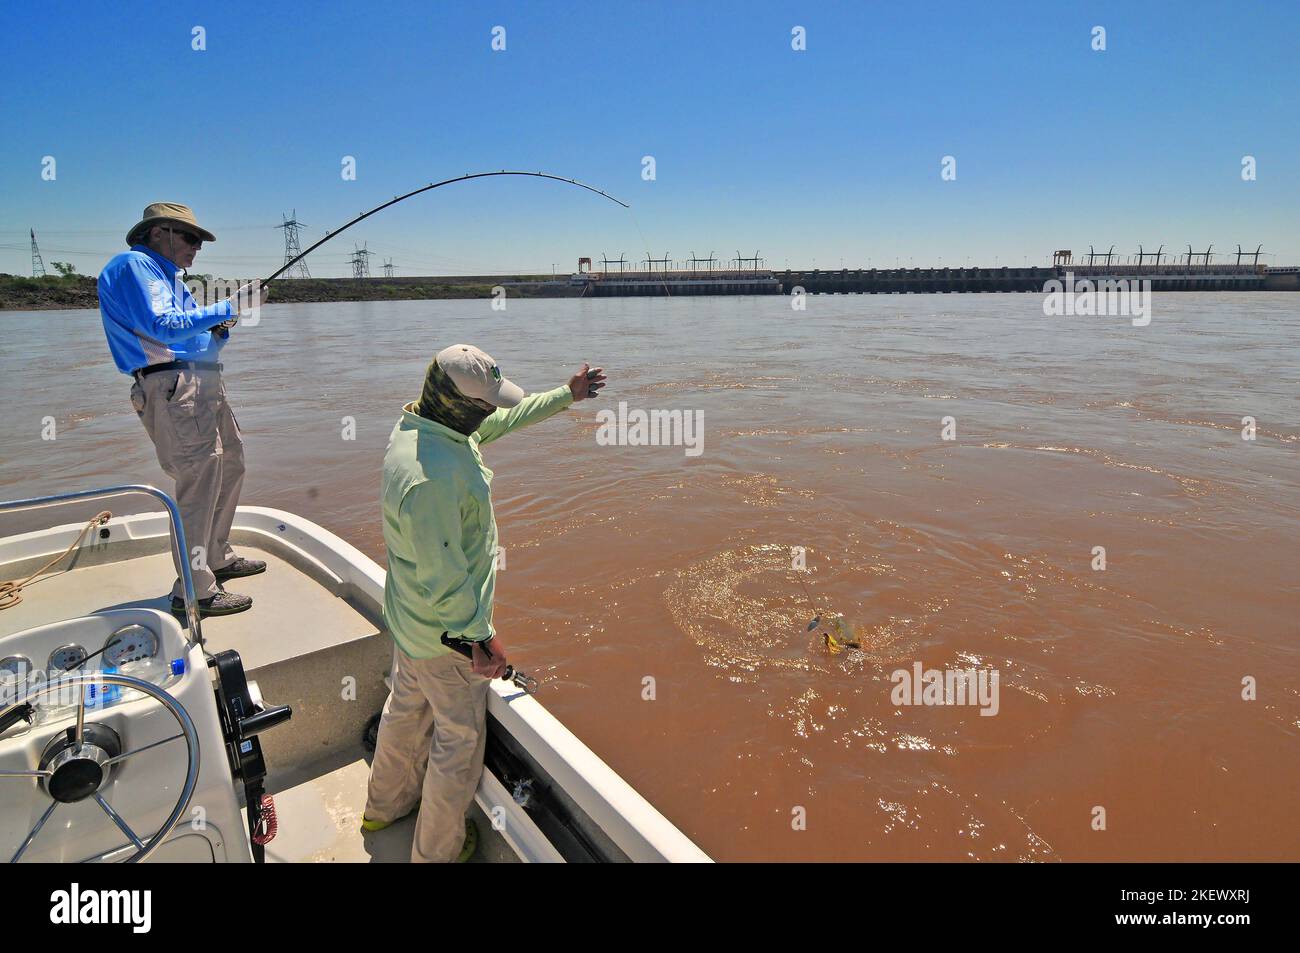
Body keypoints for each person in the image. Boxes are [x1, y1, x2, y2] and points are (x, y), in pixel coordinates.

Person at [362, 344, 606, 862]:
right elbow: (445, 577)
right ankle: (436, 852)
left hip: (410, 624)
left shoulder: (421, 427)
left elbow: (502, 420)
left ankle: (383, 807)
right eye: (483, 404)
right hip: (444, 637)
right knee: (458, 742)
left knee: (404, 714)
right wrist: (481, 638)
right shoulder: (432, 479)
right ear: (458, 403)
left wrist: (567, 395)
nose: (490, 412)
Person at [97, 203, 269, 617]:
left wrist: (217, 336)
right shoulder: (134, 265)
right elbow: (164, 328)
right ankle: (194, 590)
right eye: (190, 238)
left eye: (198, 241)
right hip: (174, 385)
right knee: (199, 479)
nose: (197, 248)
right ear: (159, 233)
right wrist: (231, 305)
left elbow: (192, 340)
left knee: (231, 465)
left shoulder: (171, 278)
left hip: (201, 379)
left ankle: (216, 557)